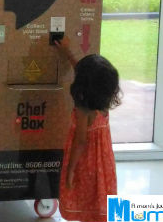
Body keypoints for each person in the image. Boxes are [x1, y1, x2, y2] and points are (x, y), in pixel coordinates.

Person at [54, 36, 121, 222]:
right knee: (97, 203)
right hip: (104, 166)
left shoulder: (83, 110)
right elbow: (88, 76)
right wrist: (68, 53)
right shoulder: (102, 102)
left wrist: (70, 170)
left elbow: (80, 141)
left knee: (85, 202)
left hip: (86, 164)